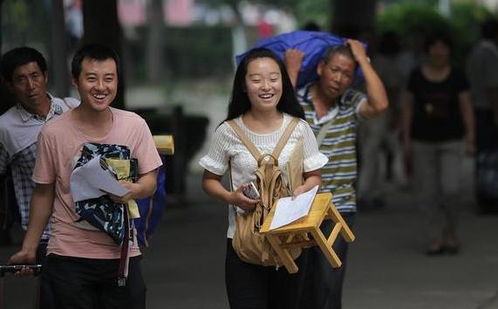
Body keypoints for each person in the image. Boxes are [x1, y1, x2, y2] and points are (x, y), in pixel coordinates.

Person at [9, 44, 162, 309]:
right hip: (68, 254)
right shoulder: (53, 133)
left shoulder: (134, 124)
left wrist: (133, 190)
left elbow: (150, 180)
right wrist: (29, 246)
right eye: (91, 78)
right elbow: (43, 192)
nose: (101, 87)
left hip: (122, 254)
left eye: (109, 78)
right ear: (75, 81)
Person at [199, 48, 328, 309]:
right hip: (243, 243)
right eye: (256, 79)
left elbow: (314, 176)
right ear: (244, 86)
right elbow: (209, 180)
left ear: (283, 82)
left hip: (291, 240)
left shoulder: (299, 128)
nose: (266, 86)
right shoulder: (228, 131)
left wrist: (303, 189)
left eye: (273, 78)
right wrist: (230, 197)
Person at [285, 39, 388, 308]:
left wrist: (363, 59)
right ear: (320, 68)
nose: (339, 79)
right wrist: (291, 69)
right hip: (298, 205)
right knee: (297, 281)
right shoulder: (298, 97)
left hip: (338, 206)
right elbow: (277, 112)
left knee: (329, 283)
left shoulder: (351, 102)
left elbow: (380, 105)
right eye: (335, 70)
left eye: (347, 73)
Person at [0, 46, 79, 308]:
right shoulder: (5, 128)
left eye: (35, 75)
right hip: (46, 235)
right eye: (21, 79)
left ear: (45, 76)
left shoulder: (74, 109)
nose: (30, 85)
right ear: (10, 85)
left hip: (89, 228)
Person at [401, 34, 475, 255]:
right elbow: (407, 108)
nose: (439, 52)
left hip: (452, 140)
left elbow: (466, 108)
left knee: (451, 189)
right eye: (435, 47)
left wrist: (471, 137)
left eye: (443, 47)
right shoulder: (416, 76)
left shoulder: (457, 76)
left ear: (449, 51)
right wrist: (406, 140)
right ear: (428, 50)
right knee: (427, 192)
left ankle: (450, 232)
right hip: (422, 141)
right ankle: (434, 237)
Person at [467, 19, 498, 213]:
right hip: (488, 109)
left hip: (477, 108)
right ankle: (490, 196)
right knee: (491, 157)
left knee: (483, 156)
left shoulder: (474, 53)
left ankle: (483, 195)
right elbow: (493, 87)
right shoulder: (490, 55)